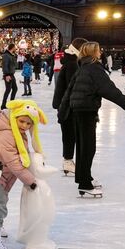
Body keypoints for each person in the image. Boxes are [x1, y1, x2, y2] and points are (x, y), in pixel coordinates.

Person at [59, 41, 125, 197]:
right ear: (93, 53)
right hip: (86, 111)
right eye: (99, 50)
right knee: (88, 148)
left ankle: (83, 179)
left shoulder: (83, 67)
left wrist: (62, 111)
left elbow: (69, 91)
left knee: (82, 147)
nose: (100, 53)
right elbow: (109, 90)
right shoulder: (94, 68)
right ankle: (85, 183)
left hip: (77, 111)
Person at [0, 100, 45, 249]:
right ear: (14, 117)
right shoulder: (7, 134)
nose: (25, 126)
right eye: (22, 121)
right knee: (0, 204)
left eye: (29, 123)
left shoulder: (17, 132)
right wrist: (30, 180)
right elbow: (14, 161)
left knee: (1, 201)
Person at [52, 37, 87, 176]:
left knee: (70, 133)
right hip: (67, 105)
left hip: (65, 104)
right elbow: (72, 87)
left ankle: (68, 161)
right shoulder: (72, 64)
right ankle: (68, 161)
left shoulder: (71, 61)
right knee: (70, 134)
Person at [1, 43, 18, 110]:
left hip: (11, 74)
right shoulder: (6, 55)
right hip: (8, 74)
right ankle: (3, 105)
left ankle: (11, 103)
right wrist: (6, 75)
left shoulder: (11, 55)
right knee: (8, 90)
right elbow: (4, 65)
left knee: (15, 89)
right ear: (12, 47)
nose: (16, 48)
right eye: (15, 47)